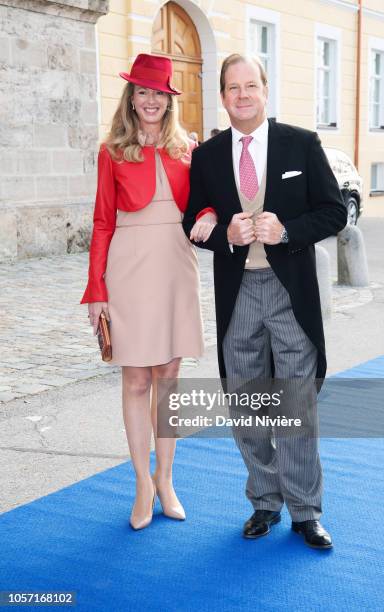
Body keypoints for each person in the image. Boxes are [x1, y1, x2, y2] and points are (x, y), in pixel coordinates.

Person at [183, 54, 347, 549]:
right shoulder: (208, 156)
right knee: (245, 402)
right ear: (223, 95)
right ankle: (264, 501)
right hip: (239, 295)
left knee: (296, 403)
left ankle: (305, 510)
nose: (243, 95)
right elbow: (193, 218)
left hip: (290, 292)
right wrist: (223, 235)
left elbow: (334, 212)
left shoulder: (302, 143)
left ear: (265, 89)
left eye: (250, 85)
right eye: (233, 87)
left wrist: (288, 231)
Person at [80, 53, 213, 531]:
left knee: (169, 378)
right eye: (142, 91)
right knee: (136, 379)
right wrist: (96, 290)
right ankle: (140, 483)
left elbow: (209, 200)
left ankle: (166, 479)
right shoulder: (111, 151)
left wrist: (210, 214)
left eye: (159, 92)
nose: (150, 100)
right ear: (131, 98)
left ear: (168, 99)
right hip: (129, 268)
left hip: (176, 265)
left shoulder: (189, 149)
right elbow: (100, 223)